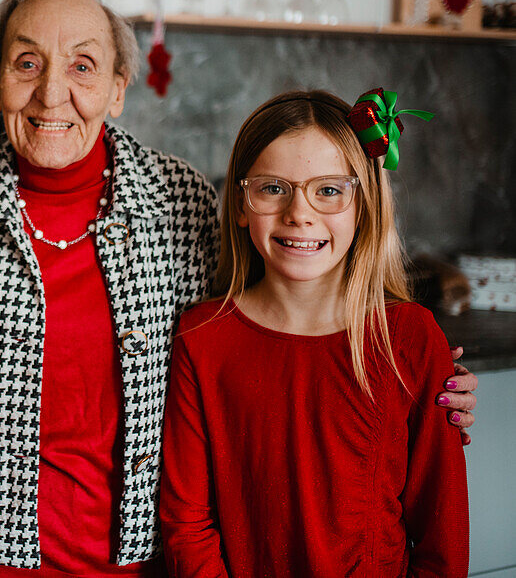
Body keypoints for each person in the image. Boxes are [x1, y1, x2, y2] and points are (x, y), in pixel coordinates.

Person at [0, 0, 478, 575]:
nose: (52, 92)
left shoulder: (180, 200)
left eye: (82, 66)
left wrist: (428, 379)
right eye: (26, 63)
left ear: (117, 88)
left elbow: (273, 321)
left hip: (147, 555)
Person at [159, 90, 469, 576]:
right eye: (273, 188)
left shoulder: (409, 336)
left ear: (363, 205)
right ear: (241, 203)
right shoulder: (201, 339)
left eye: (328, 190)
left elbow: (441, 539)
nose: (299, 213)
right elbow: (188, 524)